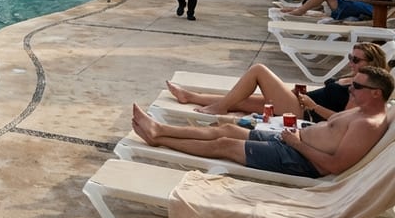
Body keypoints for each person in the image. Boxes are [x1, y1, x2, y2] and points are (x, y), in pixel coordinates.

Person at [133, 66, 393, 178]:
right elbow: (334, 124)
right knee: (226, 128)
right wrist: (311, 113)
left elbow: (334, 165)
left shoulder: (367, 124)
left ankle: (158, 138)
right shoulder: (360, 111)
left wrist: (296, 143)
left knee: (224, 144)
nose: (351, 88)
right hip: (295, 140)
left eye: (357, 86)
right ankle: (160, 128)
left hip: (300, 159)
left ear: (376, 93)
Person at [166, 42, 388, 122]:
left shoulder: (363, 88)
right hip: (300, 102)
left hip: (305, 114)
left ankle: (219, 107)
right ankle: (189, 96)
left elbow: (344, 119)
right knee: (243, 100)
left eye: (356, 60)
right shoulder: (353, 78)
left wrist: (313, 106)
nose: (350, 62)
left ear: (372, 62)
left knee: (259, 70)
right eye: (350, 57)